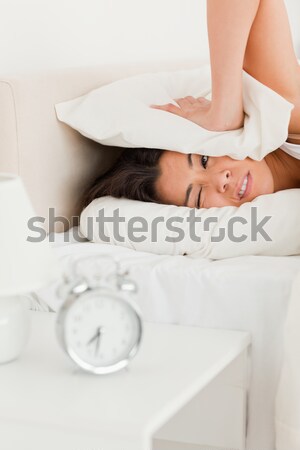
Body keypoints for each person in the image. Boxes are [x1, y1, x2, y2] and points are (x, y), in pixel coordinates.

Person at [81, 0, 300, 211]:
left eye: (204, 160)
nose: (220, 180)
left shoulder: (289, 112)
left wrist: (224, 112)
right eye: (198, 197)